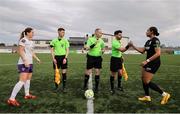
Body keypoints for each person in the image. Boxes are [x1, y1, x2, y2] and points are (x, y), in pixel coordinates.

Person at [129, 26, 170, 104]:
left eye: (147, 30)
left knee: (146, 81)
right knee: (143, 79)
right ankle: (147, 97)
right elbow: (142, 51)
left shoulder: (156, 40)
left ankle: (165, 94)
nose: (146, 32)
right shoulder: (148, 41)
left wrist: (147, 61)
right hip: (148, 62)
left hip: (154, 63)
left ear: (152, 31)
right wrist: (133, 45)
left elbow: (158, 53)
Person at [7, 27, 41, 106]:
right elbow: (20, 51)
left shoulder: (31, 42)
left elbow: (32, 52)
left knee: (28, 79)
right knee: (22, 80)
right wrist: (25, 60)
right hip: (23, 63)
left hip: (30, 63)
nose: (33, 34)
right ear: (27, 33)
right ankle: (11, 99)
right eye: (32, 32)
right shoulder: (23, 40)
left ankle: (27, 94)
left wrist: (37, 58)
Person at [83, 28, 105, 93]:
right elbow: (86, 48)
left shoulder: (102, 41)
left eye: (102, 33)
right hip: (91, 57)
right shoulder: (90, 39)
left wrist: (103, 50)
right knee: (88, 71)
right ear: (96, 33)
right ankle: (84, 85)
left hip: (98, 58)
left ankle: (96, 87)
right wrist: (94, 44)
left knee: (97, 71)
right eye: (100, 33)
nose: (101, 34)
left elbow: (103, 48)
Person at [110, 30, 130, 94]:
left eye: (121, 35)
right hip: (114, 59)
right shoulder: (114, 42)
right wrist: (129, 45)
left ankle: (119, 86)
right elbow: (122, 50)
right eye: (119, 35)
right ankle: (112, 88)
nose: (121, 36)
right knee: (113, 74)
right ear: (115, 35)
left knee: (120, 73)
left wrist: (121, 57)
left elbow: (120, 52)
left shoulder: (118, 41)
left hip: (119, 59)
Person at [50, 28, 69, 92]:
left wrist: (65, 58)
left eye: (64, 32)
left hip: (63, 57)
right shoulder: (54, 40)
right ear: (58, 32)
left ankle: (64, 88)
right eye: (62, 32)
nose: (63, 33)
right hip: (56, 58)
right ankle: (56, 87)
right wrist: (53, 59)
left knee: (64, 73)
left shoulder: (65, 40)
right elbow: (52, 50)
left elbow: (67, 50)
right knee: (56, 73)